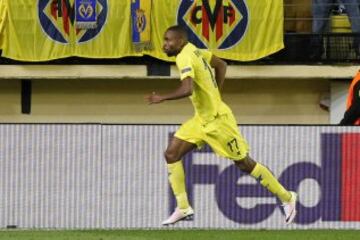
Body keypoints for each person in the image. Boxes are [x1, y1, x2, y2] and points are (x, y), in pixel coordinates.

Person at [146, 25, 297, 226]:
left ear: (180, 41)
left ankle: (287, 197)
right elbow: (222, 65)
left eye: (168, 40)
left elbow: (187, 88)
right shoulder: (197, 50)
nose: (164, 45)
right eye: (164, 40)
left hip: (218, 122)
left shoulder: (184, 56)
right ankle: (183, 207)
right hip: (202, 120)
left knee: (244, 163)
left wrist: (161, 97)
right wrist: (216, 93)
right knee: (171, 154)